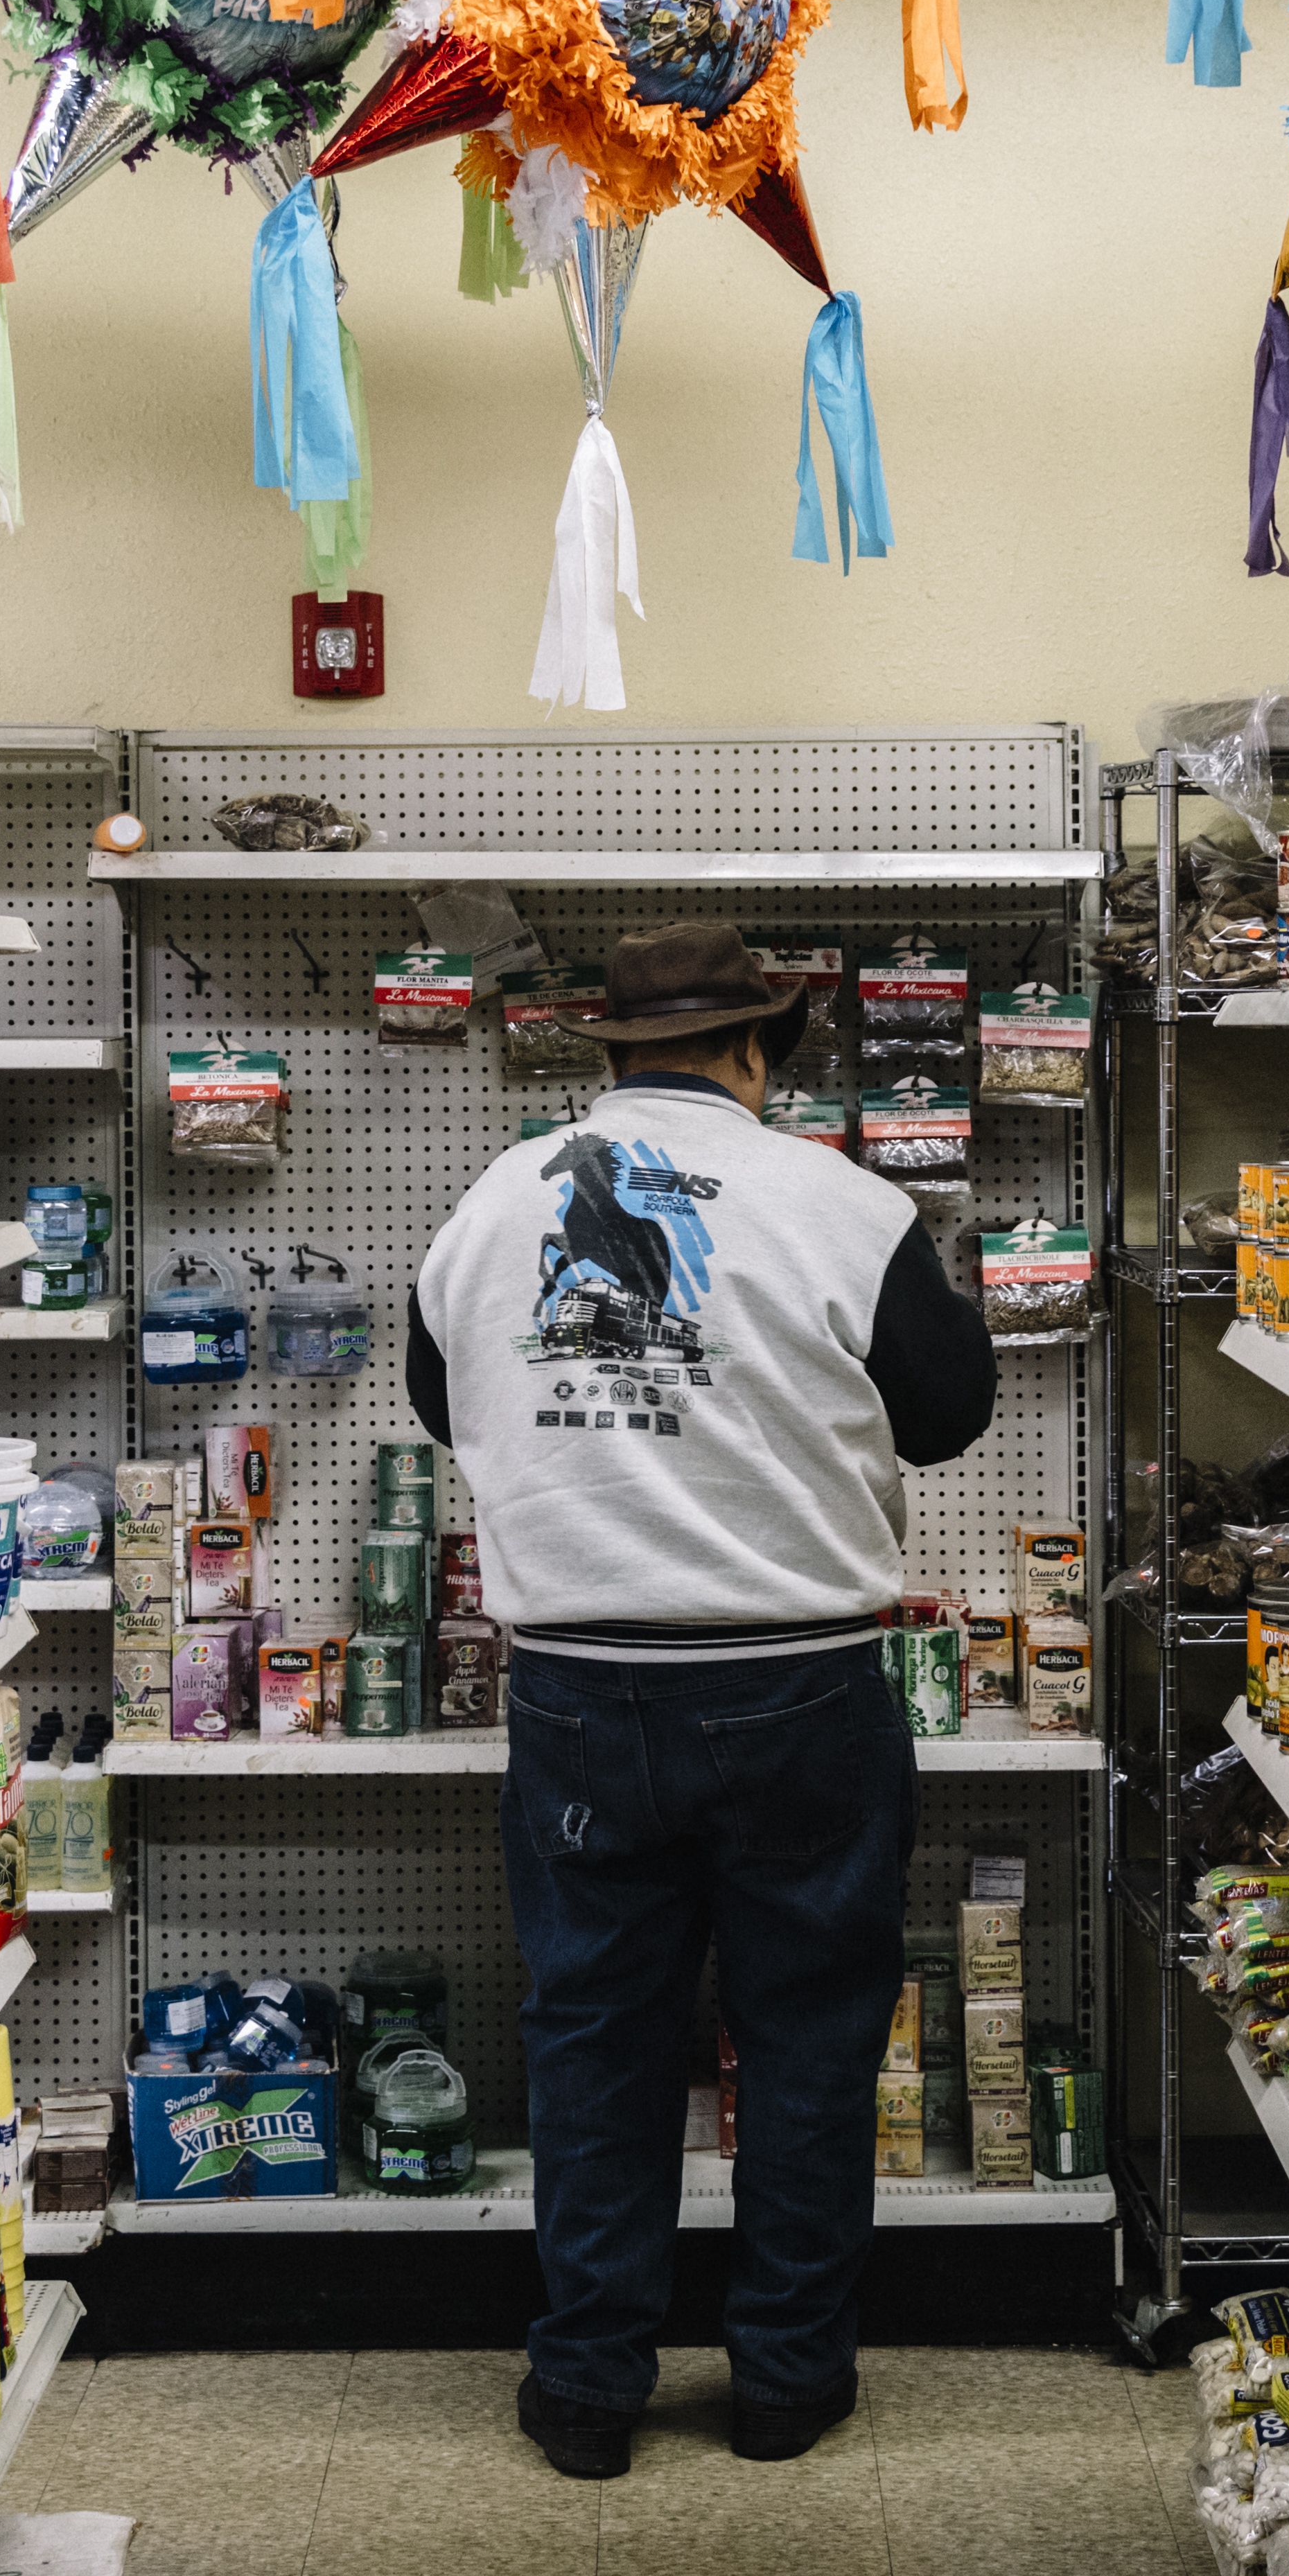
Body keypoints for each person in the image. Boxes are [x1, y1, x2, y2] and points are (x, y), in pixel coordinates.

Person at [405, 919, 996, 2479]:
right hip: (799, 1684)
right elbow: (950, 1415)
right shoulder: (850, 1204)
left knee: (594, 2034)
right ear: (759, 1051)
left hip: (581, 1690)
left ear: (613, 1055)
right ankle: (788, 2381)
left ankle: (590, 2391)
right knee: (807, 2037)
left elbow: (439, 1396)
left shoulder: (489, 1202)